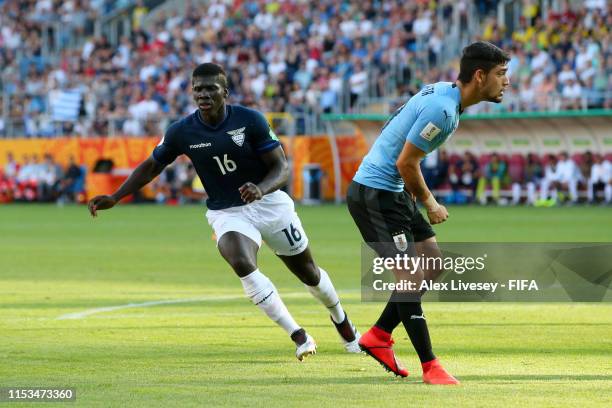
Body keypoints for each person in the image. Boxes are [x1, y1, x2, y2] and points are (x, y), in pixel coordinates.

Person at [87, 63, 359, 361]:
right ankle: (299, 335)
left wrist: (261, 188)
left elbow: (282, 168)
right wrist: (116, 196)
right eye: (198, 89)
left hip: (270, 205)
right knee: (241, 261)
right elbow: (152, 165)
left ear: (224, 92)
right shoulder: (182, 131)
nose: (203, 94)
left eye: (210, 88)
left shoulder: (251, 120)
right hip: (228, 212)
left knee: (309, 274)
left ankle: (342, 322)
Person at [347, 41, 510, 384]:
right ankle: (430, 366)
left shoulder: (444, 94)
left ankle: (378, 335)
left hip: (392, 193)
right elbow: (405, 162)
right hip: (375, 195)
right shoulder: (444, 111)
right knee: (411, 278)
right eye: (501, 74)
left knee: (432, 263)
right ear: (480, 76)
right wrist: (431, 203)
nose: (506, 81)